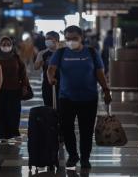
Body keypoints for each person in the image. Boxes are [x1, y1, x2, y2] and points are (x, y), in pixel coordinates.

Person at [47, 26, 112, 169]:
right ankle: (73, 155)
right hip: (66, 98)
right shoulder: (61, 52)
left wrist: (106, 90)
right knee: (67, 129)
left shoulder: (91, 52)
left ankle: (85, 158)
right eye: (68, 38)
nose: (71, 41)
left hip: (89, 98)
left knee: (86, 131)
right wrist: (51, 78)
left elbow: (100, 73)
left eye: (74, 38)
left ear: (81, 38)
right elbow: (51, 69)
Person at [0, 37, 29, 142]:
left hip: (14, 89)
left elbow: (23, 74)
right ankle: (3, 134)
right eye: (3, 43)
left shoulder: (16, 58)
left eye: (8, 43)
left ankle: (15, 132)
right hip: (0, 90)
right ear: (0, 45)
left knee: (14, 112)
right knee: (2, 112)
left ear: (12, 45)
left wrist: (24, 86)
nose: (6, 46)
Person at [34, 31, 60, 107]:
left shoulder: (62, 52)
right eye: (46, 39)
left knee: (61, 107)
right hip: (47, 83)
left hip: (62, 84)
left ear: (56, 40)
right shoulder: (42, 53)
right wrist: (41, 61)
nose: (47, 41)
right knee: (48, 106)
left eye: (49, 38)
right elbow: (36, 67)